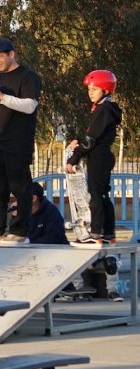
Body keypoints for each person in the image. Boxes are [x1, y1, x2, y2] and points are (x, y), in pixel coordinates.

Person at [0, 38, 41, 244]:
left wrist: (2, 96)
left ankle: (20, 231)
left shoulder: (29, 77)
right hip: (0, 141)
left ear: (11, 54)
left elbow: (30, 106)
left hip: (19, 142)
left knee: (20, 187)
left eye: (0, 56)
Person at [65, 70, 122, 246]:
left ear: (105, 90)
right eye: (89, 89)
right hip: (104, 156)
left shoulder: (103, 109)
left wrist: (73, 159)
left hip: (98, 157)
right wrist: (79, 142)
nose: (90, 92)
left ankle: (95, 233)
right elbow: (93, 136)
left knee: (95, 195)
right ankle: (109, 233)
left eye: (95, 89)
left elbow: (91, 140)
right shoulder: (106, 109)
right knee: (103, 195)